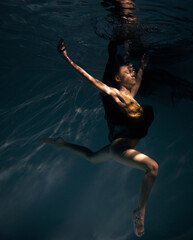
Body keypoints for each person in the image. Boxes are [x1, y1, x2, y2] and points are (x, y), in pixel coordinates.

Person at [42, 38, 158, 237]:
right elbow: (90, 80)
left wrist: (143, 68)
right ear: (117, 78)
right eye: (127, 71)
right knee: (152, 168)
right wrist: (67, 59)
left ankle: (62, 144)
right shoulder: (113, 93)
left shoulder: (130, 96)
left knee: (92, 158)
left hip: (117, 148)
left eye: (132, 70)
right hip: (120, 148)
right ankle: (140, 212)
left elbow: (137, 81)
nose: (131, 71)